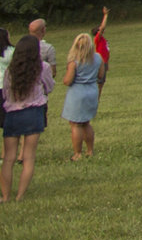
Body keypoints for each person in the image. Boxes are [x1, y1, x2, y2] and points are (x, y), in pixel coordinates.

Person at [3, 29, 53, 201]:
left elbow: (6, 94)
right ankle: (20, 195)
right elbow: (49, 87)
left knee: (8, 158)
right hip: (33, 113)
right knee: (29, 157)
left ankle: (5, 195)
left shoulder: (10, 71)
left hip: (12, 114)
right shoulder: (43, 68)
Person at [60, 32, 102, 161]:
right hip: (92, 91)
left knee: (76, 124)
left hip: (77, 93)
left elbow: (68, 81)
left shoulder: (74, 62)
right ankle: (90, 151)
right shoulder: (98, 58)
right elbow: (100, 76)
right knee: (86, 123)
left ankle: (77, 153)